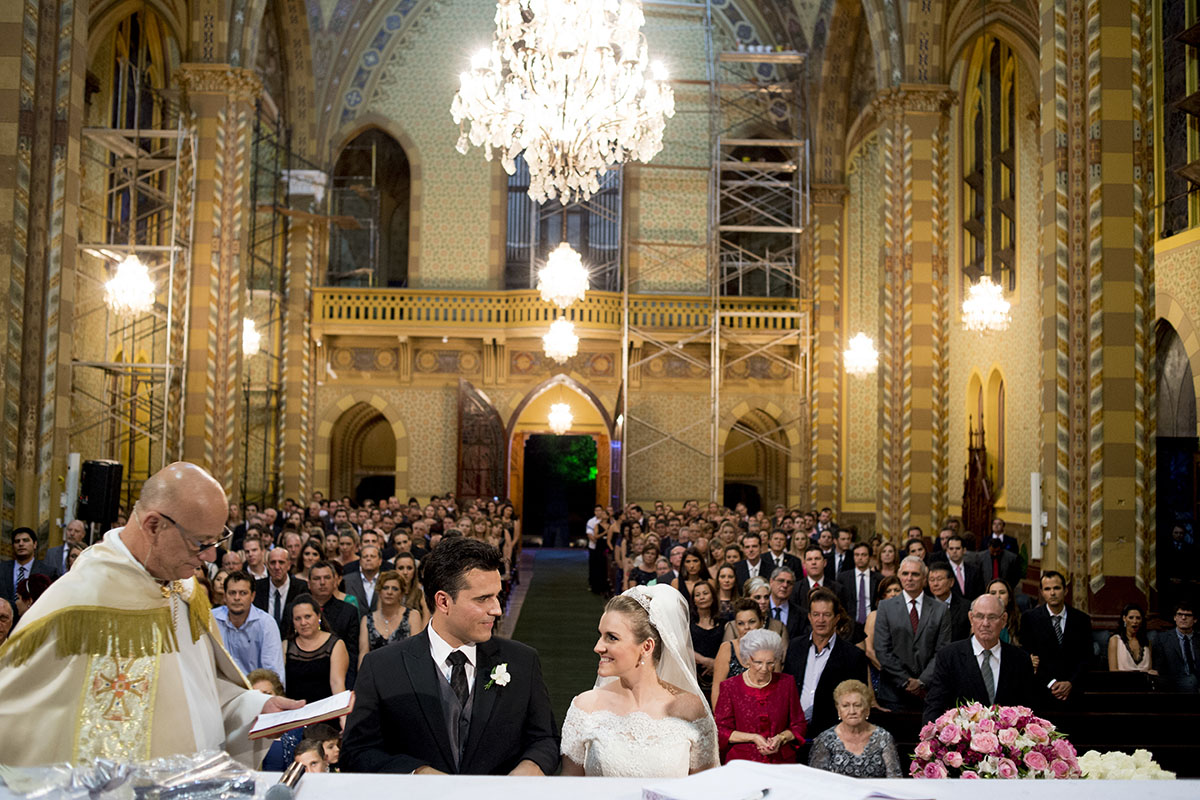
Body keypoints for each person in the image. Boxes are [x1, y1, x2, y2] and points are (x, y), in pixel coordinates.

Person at [0, 462, 301, 766]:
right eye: (201, 543)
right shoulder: (80, 605)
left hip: (199, 778)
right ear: (154, 526)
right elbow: (18, 723)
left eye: (217, 539)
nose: (210, 556)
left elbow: (199, 692)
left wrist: (253, 709)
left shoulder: (183, 590)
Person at [341, 536, 559, 775]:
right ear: (443, 601)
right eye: (483, 599)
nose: (497, 609)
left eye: (496, 596)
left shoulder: (522, 661)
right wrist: (417, 773)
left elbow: (545, 739)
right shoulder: (382, 667)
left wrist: (529, 769)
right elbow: (356, 752)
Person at [561, 585, 718, 777]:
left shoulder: (691, 710)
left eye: (612, 637)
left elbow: (704, 787)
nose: (598, 647)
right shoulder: (585, 707)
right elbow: (569, 785)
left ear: (647, 647)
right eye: (600, 636)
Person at [922, 593, 1037, 722]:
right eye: (980, 616)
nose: (985, 623)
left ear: (1004, 620)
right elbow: (935, 705)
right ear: (971, 618)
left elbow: (1029, 709)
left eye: (992, 617)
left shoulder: (1020, 659)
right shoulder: (949, 656)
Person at [782, 588, 868, 739]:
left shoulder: (853, 656)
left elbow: (857, 700)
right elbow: (786, 688)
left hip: (833, 735)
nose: (820, 620)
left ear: (836, 618)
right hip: (793, 733)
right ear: (809, 617)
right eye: (816, 614)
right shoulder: (795, 646)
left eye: (826, 615)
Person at [871, 556, 951, 710]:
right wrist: (905, 681)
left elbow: (942, 651)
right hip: (893, 693)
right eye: (905, 573)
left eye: (915, 574)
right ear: (899, 576)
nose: (909, 578)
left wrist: (921, 681)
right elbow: (882, 650)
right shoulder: (885, 607)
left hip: (929, 693)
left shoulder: (940, 610)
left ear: (924, 578)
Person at [715, 629, 805, 764]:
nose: (764, 669)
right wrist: (753, 737)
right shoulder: (730, 687)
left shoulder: (787, 683)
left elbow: (799, 725)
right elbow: (721, 731)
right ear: (747, 659)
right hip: (743, 763)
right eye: (758, 662)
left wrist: (781, 738)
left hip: (780, 762)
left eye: (770, 663)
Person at [1021, 571, 1092, 707]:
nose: (1052, 593)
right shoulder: (1029, 619)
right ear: (1042, 592)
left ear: (1065, 590)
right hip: (1042, 693)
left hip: (1074, 693)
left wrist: (1070, 683)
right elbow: (1028, 656)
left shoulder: (1081, 620)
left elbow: (1087, 657)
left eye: (1057, 588)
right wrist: (1051, 683)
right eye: (1047, 589)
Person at [807, 680, 902, 778]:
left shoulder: (883, 738)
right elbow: (815, 780)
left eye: (857, 705)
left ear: (867, 710)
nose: (852, 711)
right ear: (839, 710)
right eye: (845, 706)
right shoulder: (825, 740)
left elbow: (895, 779)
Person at [213, 571, 287, 685]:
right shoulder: (211, 620)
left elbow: (273, 673)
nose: (237, 598)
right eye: (232, 593)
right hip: (221, 689)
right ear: (225, 596)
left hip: (255, 690)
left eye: (243, 593)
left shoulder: (266, 624)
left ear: (252, 596)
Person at [285, 593, 349, 704]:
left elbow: (337, 683)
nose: (303, 623)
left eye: (307, 617)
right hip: (294, 710)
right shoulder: (286, 646)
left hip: (327, 710)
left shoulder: (336, 644)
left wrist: (341, 712)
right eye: (297, 619)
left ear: (318, 616)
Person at [307, 561, 361, 687]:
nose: (322, 582)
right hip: (304, 678)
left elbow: (352, 653)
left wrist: (348, 687)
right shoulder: (295, 610)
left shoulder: (348, 611)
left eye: (327, 578)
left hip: (339, 679)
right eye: (316, 578)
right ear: (308, 583)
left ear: (335, 581)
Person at [358, 569, 423, 666]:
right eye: (385, 588)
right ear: (379, 591)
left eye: (395, 589)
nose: (389, 592)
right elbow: (363, 654)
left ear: (401, 593)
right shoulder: (367, 620)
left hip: (404, 671)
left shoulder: (412, 616)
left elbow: (417, 651)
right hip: (375, 671)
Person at [712, 599, 766, 706]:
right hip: (731, 712)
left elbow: (776, 692)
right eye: (741, 623)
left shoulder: (769, 650)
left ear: (761, 622)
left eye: (752, 622)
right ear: (736, 626)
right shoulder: (727, 648)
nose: (747, 627)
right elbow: (717, 692)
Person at [255, 547, 309, 636]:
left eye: (281, 562)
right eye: (273, 562)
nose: (277, 567)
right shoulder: (257, 587)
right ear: (267, 565)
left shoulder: (301, 588)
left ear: (289, 565)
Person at [0, 527, 56, 604]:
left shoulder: (48, 572)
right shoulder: (2, 569)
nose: (21, 544)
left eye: (25, 540)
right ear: (12, 546)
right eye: (17, 541)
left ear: (35, 544)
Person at [1152, 602, 1198, 693]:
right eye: (1180, 614)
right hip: (1173, 683)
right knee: (1190, 681)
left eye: (1188, 615)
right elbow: (1158, 668)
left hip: (1197, 681)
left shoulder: (1198, 638)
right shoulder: (1162, 639)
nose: (1183, 618)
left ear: (1195, 620)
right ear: (1174, 617)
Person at [690, 580, 723, 699]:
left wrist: (716, 664)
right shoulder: (688, 623)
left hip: (720, 673)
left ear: (713, 597)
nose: (702, 597)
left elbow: (728, 646)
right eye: (697, 595)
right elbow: (683, 647)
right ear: (694, 600)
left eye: (705, 593)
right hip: (694, 677)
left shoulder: (724, 622)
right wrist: (705, 661)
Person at [927, 562, 971, 641]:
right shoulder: (924, 605)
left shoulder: (965, 607)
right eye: (932, 580)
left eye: (939, 579)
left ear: (951, 582)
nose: (935, 584)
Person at [847, 542, 881, 641]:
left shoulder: (879, 578)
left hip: (873, 623)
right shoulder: (843, 578)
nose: (860, 558)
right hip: (851, 624)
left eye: (864, 555)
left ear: (870, 557)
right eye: (857, 555)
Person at [1108, 602, 1152, 672]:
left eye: (1138, 618)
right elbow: (1113, 670)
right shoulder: (1115, 640)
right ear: (1124, 618)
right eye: (1131, 618)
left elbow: (1149, 669)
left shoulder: (1147, 642)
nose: (1135, 621)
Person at [766, 567, 806, 639]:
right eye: (781, 581)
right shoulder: (761, 609)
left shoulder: (801, 615)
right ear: (771, 582)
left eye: (789, 583)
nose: (785, 585)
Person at [342, 544, 384, 611]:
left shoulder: (387, 580)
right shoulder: (346, 581)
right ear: (360, 561)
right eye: (365, 557)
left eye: (372, 556)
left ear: (380, 561)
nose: (368, 559)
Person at [986, 578, 1023, 645]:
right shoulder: (980, 621)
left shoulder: (1020, 620)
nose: (998, 596)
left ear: (1009, 597)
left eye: (1002, 592)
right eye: (993, 593)